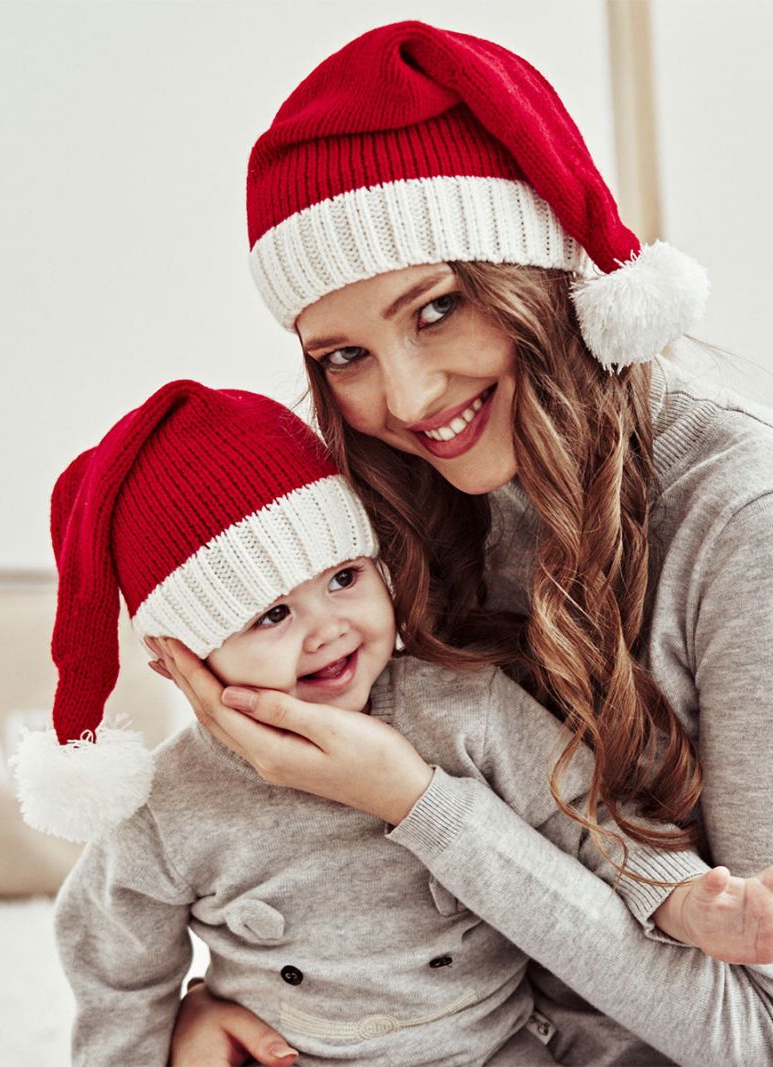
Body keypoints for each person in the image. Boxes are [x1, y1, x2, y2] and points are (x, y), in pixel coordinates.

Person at [155, 20, 773, 1067]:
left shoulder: (735, 519)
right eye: (344, 353)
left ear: (535, 274)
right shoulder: (386, 513)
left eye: (437, 307)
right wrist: (222, 1003)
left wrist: (415, 802)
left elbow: (753, 1029)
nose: (402, 396)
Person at [12, 381, 773, 1067]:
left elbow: (586, 819)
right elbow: (115, 970)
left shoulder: (459, 707)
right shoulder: (170, 805)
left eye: (343, 577)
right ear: (180, 661)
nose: (326, 628)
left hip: (501, 1046)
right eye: (272, 614)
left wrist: (686, 904)